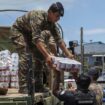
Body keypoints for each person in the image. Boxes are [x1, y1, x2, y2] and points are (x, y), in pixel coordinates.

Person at [10, 2, 74, 94]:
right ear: (50, 12)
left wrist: (68, 54)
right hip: (18, 31)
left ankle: (38, 86)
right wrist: (48, 55)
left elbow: (58, 40)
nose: (58, 19)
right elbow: (36, 40)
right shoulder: (38, 17)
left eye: (59, 17)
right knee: (25, 54)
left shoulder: (52, 23)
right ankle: (23, 87)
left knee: (40, 57)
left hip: (28, 34)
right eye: (57, 16)